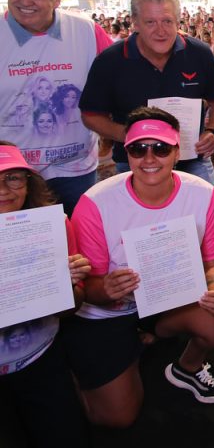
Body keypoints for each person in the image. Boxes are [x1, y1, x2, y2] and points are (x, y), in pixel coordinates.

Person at [65, 107, 214, 427]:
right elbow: (86, 291)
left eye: (160, 148)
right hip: (108, 313)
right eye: (138, 148)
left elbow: (212, 263)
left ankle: (186, 367)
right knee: (117, 419)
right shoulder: (96, 203)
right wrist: (105, 289)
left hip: (165, 299)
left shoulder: (202, 194)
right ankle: (84, 367)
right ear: (126, 153)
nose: (149, 158)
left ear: (177, 151)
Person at [80, 0, 214, 187]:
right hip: (135, 163)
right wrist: (131, 135)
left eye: (167, 21)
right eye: (150, 22)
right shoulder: (110, 60)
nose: (161, 30)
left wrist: (213, 131)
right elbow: (90, 115)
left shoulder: (199, 54)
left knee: (203, 217)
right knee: (141, 218)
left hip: (192, 162)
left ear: (177, 21)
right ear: (135, 23)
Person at [0, 0, 113, 215]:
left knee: (79, 247)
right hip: (13, 177)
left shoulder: (85, 30)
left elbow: (117, 76)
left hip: (75, 169)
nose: (24, 1)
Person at [0, 143, 92, 445]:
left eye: (13, 177)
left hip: (40, 358)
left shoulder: (51, 226)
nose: (4, 189)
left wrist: (68, 286)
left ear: (28, 183)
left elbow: (70, 309)